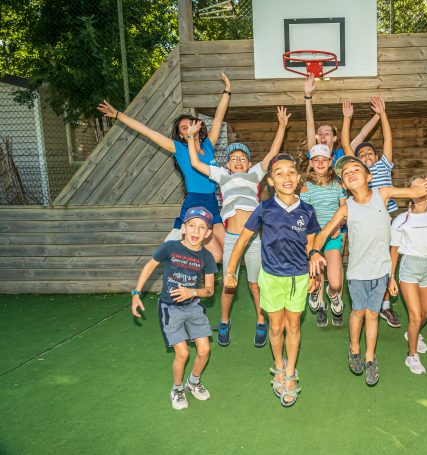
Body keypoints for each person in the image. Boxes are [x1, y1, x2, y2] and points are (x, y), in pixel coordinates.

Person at [309, 155, 427, 386]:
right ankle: (354, 348)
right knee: (358, 313)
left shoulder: (383, 193)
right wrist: (314, 252)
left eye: (355, 169)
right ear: (343, 184)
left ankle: (370, 357)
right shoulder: (346, 209)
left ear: (369, 176)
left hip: (381, 271)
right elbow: (322, 234)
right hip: (357, 273)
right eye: (346, 173)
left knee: (372, 315)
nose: (350, 173)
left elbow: (417, 192)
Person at [97, 72, 232, 262]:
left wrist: (227, 90)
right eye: (183, 128)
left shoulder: (209, 145)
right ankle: (186, 263)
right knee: (216, 257)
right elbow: (147, 131)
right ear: (182, 135)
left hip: (211, 202)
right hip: (195, 203)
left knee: (228, 253)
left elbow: (218, 116)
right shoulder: (179, 149)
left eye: (190, 124)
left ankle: (188, 256)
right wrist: (117, 115)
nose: (188, 128)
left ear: (198, 126)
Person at [186, 107, 289, 347]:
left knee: (255, 284)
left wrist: (282, 126)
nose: (238, 160)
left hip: (253, 239)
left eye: (243, 157)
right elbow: (195, 162)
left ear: (249, 163)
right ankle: (224, 321)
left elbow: (273, 153)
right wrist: (191, 137)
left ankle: (261, 321)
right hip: (232, 237)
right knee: (229, 284)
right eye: (234, 158)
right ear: (228, 164)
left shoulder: (255, 174)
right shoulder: (222, 175)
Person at [224, 153, 320, 407]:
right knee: (276, 327)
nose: (286, 177)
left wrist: (314, 274)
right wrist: (230, 272)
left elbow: (311, 246)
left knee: (294, 326)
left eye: (291, 172)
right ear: (270, 181)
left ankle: (291, 372)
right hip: (271, 278)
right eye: (280, 173)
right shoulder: (264, 209)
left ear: (298, 178)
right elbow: (243, 240)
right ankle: (279, 364)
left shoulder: (308, 211)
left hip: (298, 278)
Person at [131, 206, 217, 410]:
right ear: (184, 228)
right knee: (183, 353)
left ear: (208, 233)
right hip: (170, 308)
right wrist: (136, 293)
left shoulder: (207, 257)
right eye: (192, 225)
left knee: (204, 350)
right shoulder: (170, 247)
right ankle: (177, 389)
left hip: (193, 306)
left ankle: (193, 382)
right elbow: (149, 266)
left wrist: (191, 292)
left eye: (202, 227)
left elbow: (210, 290)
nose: (196, 231)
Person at [341, 96, 401, 328]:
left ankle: (385, 305)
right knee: (370, 260)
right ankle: (370, 303)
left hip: (388, 219)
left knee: (389, 259)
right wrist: (347, 119)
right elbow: (346, 145)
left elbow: (388, 138)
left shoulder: (384, 165)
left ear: (376, 157)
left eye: (370, 153)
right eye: (362, 155)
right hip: (366, 222)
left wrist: (383, 114)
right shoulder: (359, 174)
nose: (366, 156)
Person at [389, 176, 427, 375]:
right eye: (414, 187)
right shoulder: (401, 220)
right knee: (415, 316)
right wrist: (391, 278)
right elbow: (394, 250)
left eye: (423, 186)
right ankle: (412, 355)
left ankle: (412, 334)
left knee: (426, 314)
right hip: (409, 269)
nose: (418, 189)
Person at [300, 143, 347, 328]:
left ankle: (333, 295)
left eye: (324, 160)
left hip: (333, 236)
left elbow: (344, 211)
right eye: (316, 160)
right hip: (313, 237)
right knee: (316, 275)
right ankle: (316, 295)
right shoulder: (306, 186)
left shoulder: (338, 184)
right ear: (311, 162)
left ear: (330, 161)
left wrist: (339, 225)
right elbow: (304, 214)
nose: (320, 163)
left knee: (335, 283)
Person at [304, 75, 379, 165]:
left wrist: (379, 114)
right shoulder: (314, 153)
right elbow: (310, 125)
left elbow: (362, 134)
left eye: (327, 133)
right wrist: (308, 96)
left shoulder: (342, 155)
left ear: (334, 138)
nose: (322, 136)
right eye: (320, 134)